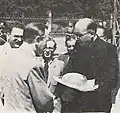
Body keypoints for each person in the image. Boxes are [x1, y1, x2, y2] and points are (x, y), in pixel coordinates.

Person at [65, 18, 119, 112]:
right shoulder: (78, 45)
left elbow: (112, 77)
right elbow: (71, 67)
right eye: (75, 35)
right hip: (76, 101)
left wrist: (91, 84)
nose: (76, 38)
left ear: (92, 34)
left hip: (97, 103)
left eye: (79, 35)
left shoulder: (109, 49)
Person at [0, 21, 54, 113]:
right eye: (46, 39)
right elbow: (44, 102)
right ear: (38, 40)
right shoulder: (33, 64)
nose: (46, 44)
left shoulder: (7, 57)